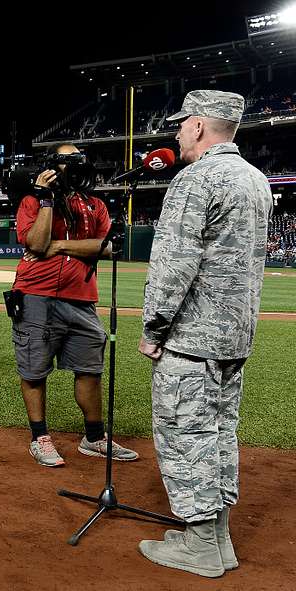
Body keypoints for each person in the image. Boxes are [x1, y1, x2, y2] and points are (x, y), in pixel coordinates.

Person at [137, 90, 273, 578]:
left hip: (192, 340)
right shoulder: (256, 180)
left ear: (197, 126)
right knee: (218, 435)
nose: (176, 132)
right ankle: (218, 539)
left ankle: (200, 547)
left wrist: (153, 328)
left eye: (181, 124)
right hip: (235, 338)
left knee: (185, 435)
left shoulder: (196, 179)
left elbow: (174, 266)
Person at [7, 145, 137, 466]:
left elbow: (107, 248)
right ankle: (40, 438)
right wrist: (47, 199)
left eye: (79, 161)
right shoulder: (32, 202)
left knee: (90, 369)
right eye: (68, 162)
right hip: (35, 294)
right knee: (34, 369)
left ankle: (94, 438)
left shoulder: (95, 205)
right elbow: (35, 243)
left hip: (81, 298)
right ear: (53, 167)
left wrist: (61, 245)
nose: (76, 167)